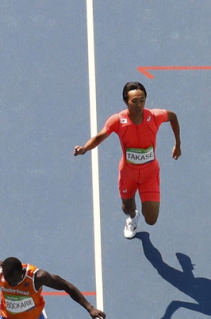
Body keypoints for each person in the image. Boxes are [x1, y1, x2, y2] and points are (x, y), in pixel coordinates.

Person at [74, 82, 181, 239]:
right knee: (127, 208)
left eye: (142, 100)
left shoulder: (155, 116)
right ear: (126, 101)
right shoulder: (117, 120)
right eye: (134, 101)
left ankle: (144, 208)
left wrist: (178, 144)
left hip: (149, 174)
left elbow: (173, 116)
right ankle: (132, 218)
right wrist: (85, 148)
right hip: (128, 174)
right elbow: (99, 136)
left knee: (151, 220)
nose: (139, 105)